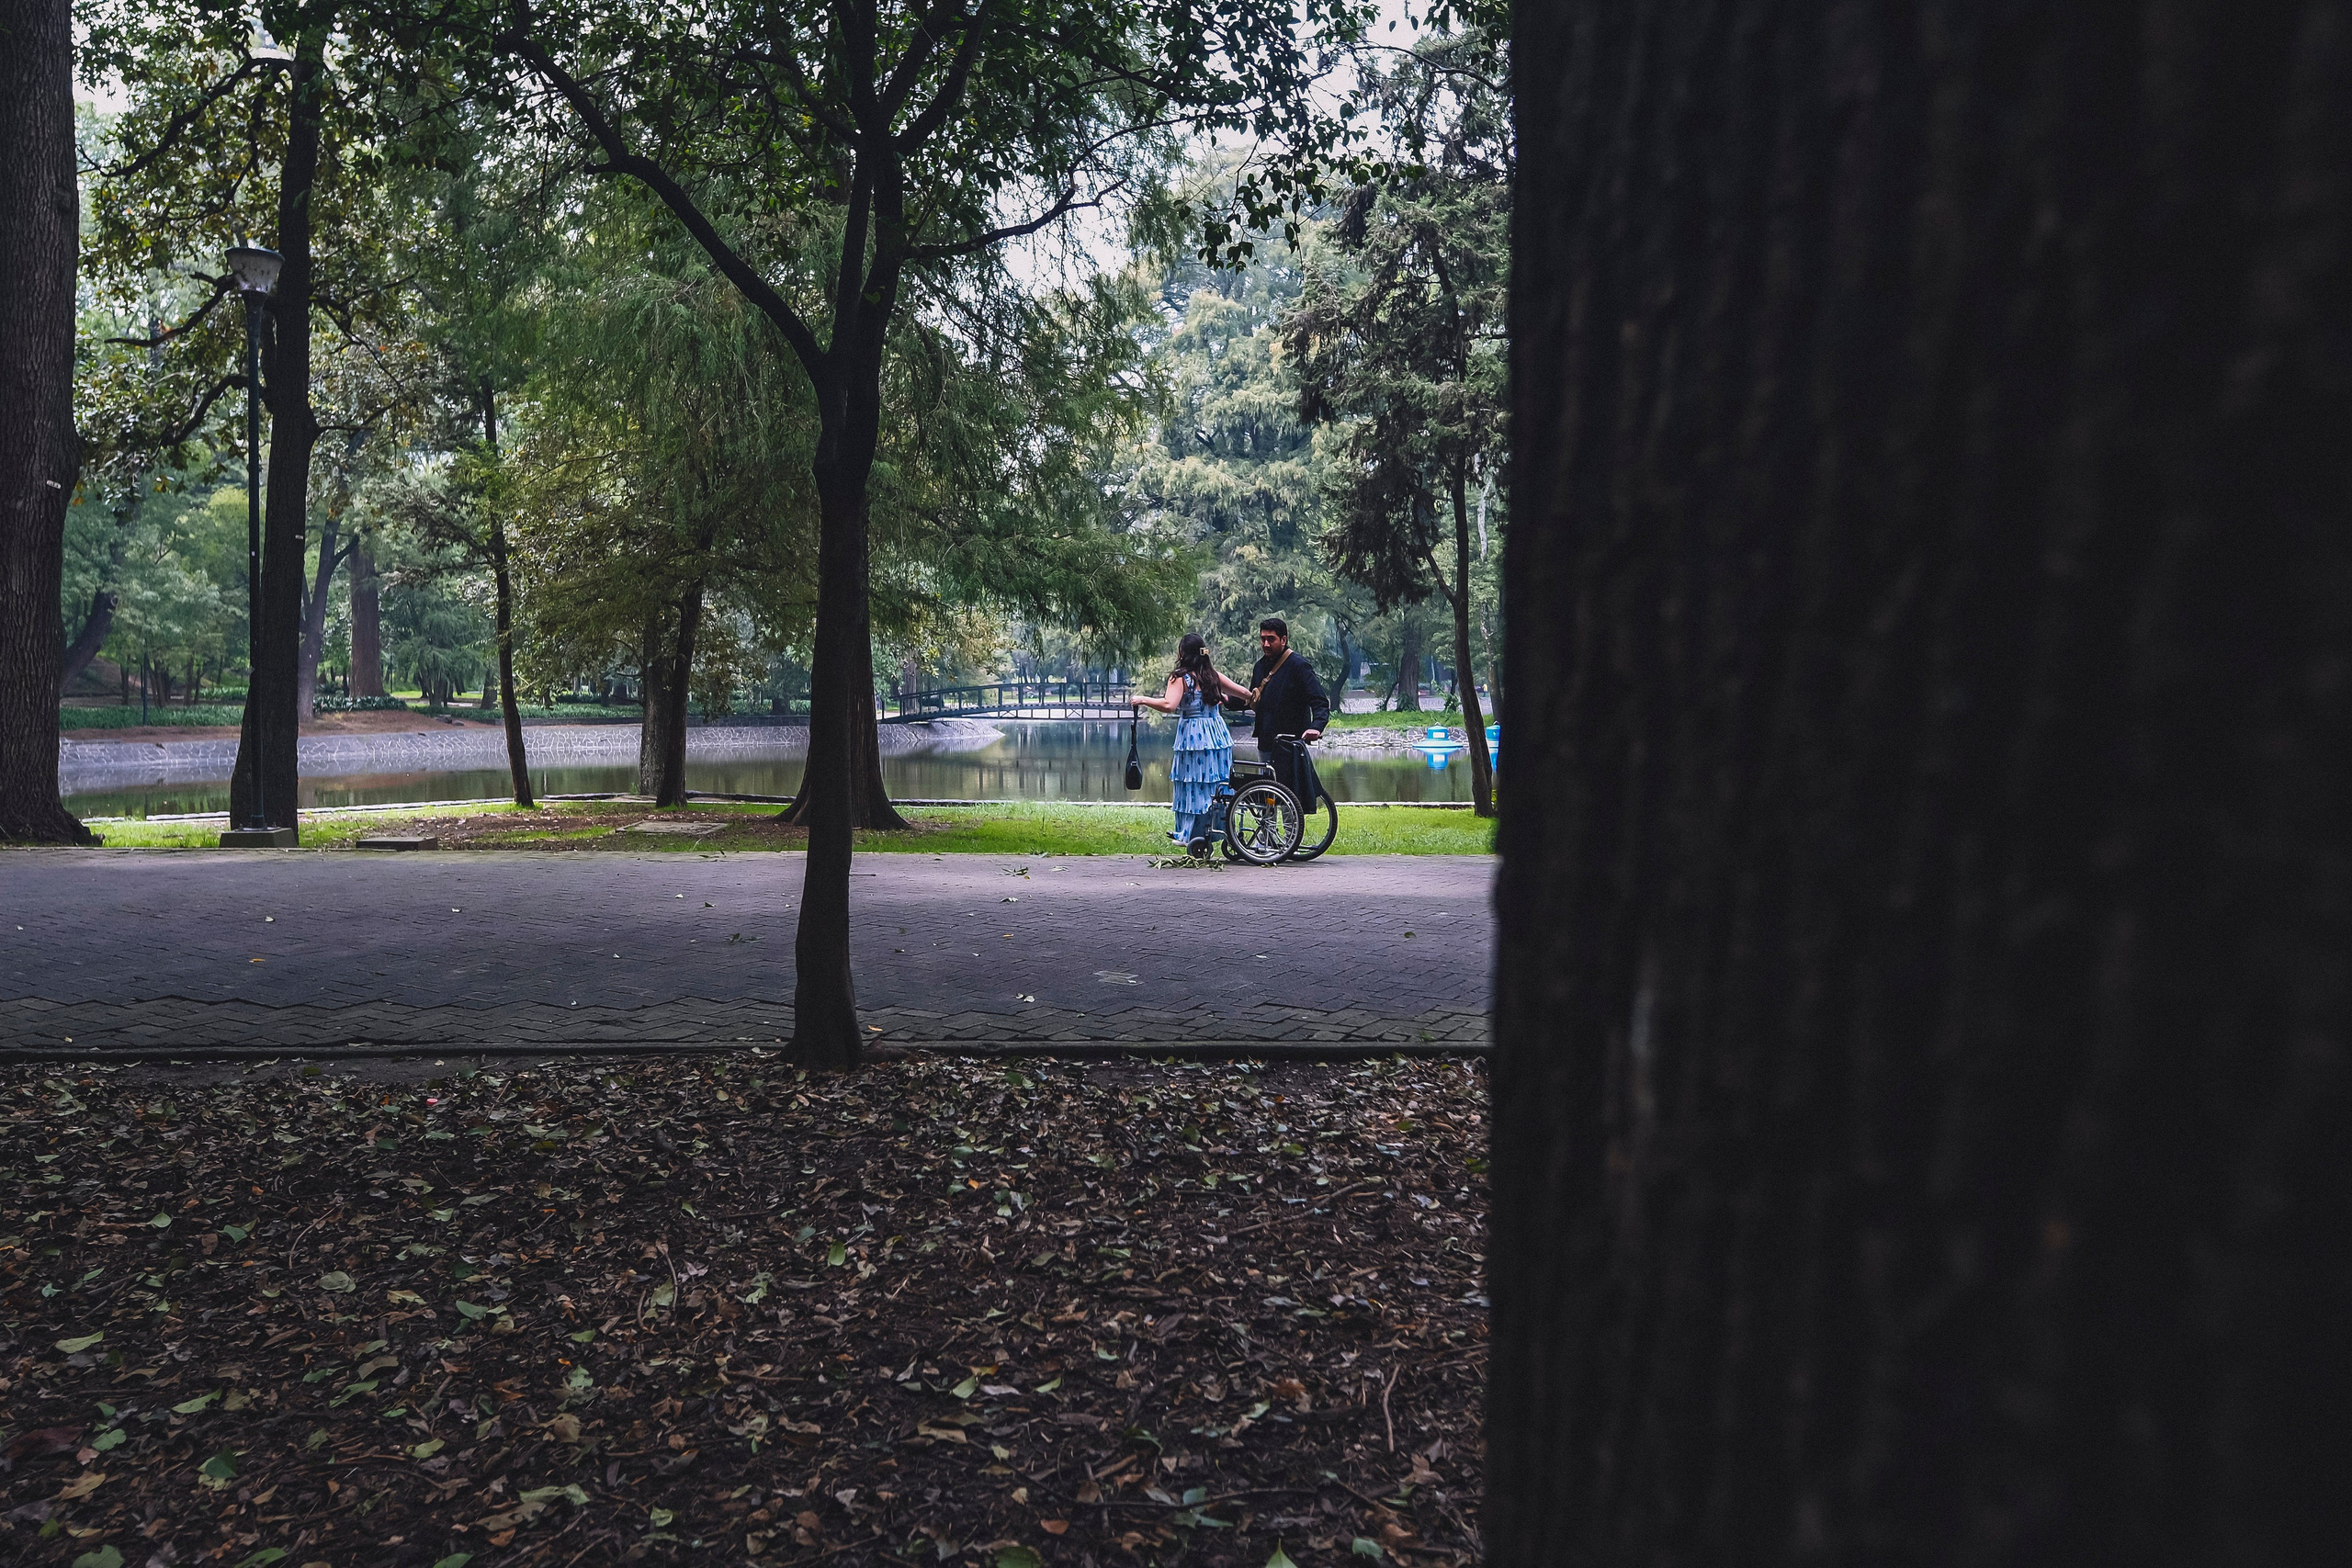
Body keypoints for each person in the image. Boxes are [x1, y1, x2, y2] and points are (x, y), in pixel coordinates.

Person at [1133, 632, 1252, 848]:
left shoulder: (1180, 677)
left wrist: (1143, 699)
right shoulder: (1213, 676)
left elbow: (1169, 705)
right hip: (1217, 735)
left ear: (1182, 653)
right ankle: (1220, 829)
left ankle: (1190, 833)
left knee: (1192, 785)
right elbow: (1245, 693)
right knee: (1217, 785)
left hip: (1193, 736)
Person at [1245, 617, 1330, 807]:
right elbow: (1251, 698)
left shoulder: (1298, 665)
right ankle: (1268, 836)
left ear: (1284, 640)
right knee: (1267, 797)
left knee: (1290, 798)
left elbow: (1319, 701)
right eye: (1263, 639)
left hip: (1289, 742)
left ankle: (1292, 836)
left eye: (1271, 639)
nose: (1266, 644)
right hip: (1266, 741)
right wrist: (1225, 699)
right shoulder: (1260, 667)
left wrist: (1316, 727)